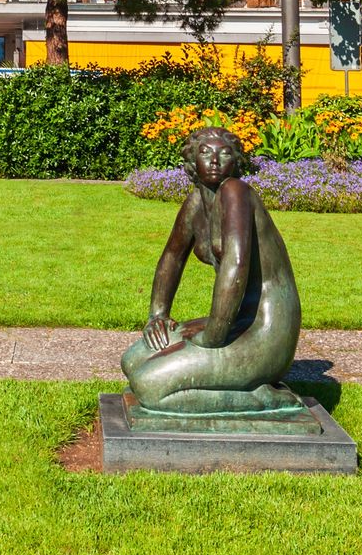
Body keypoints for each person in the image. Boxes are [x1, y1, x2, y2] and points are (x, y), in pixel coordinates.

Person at [120, 126, 302, 414]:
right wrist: (158, 314)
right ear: (192, 161)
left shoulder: (236, 192)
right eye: (205, 152)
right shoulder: (196, 202)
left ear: (236, 162)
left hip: (265, 330)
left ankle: (259, 399)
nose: (214, 160)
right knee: (131, 361)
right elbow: (172, 257)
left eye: (224, 153)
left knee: (148, 386)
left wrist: (213, 335)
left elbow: (236, 264)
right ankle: (224, 380)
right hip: (236, 321)